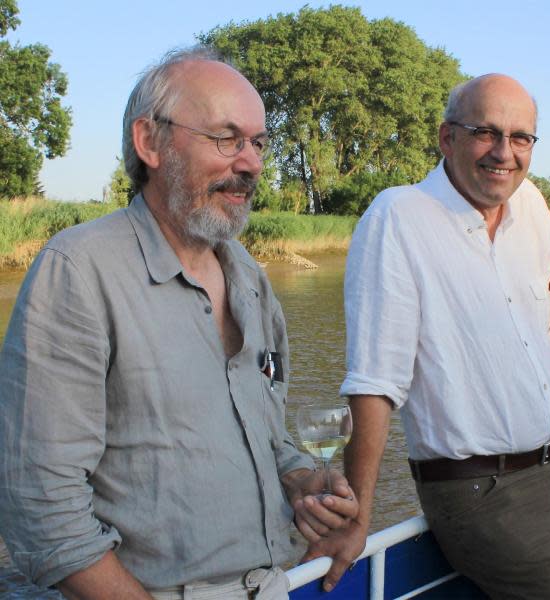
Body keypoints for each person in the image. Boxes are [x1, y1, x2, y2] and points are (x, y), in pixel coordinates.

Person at [0, 47, 358, 599]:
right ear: (150, 142)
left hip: (275, 585)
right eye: (227, 138)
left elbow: (264, 435)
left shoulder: (251, 279)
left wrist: (302, 480)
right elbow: (38, 502)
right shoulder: (77, 271)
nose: (252, 163)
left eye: (258, 143)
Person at [310, 74, 550, 599]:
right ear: (446, 138)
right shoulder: (399, 217)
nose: (504, 152)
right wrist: (358, 513)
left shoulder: (531, 208)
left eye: (521, 137)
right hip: (484, 493)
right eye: (486, 132)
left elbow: (537, 325)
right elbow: (374, 380)